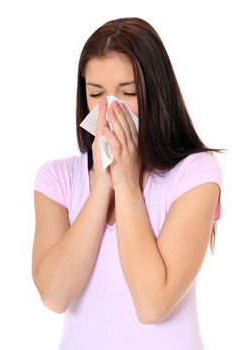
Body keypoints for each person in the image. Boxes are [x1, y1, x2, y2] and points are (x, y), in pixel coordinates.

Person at [32, 17, 225, 350]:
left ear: (156, 91)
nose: (110, 107)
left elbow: (152, 304)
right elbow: (54, 295)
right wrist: (101, 188)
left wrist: (127, 185)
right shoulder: (56, 178)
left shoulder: (194, 173)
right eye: (96, 93)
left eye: (129, 92)